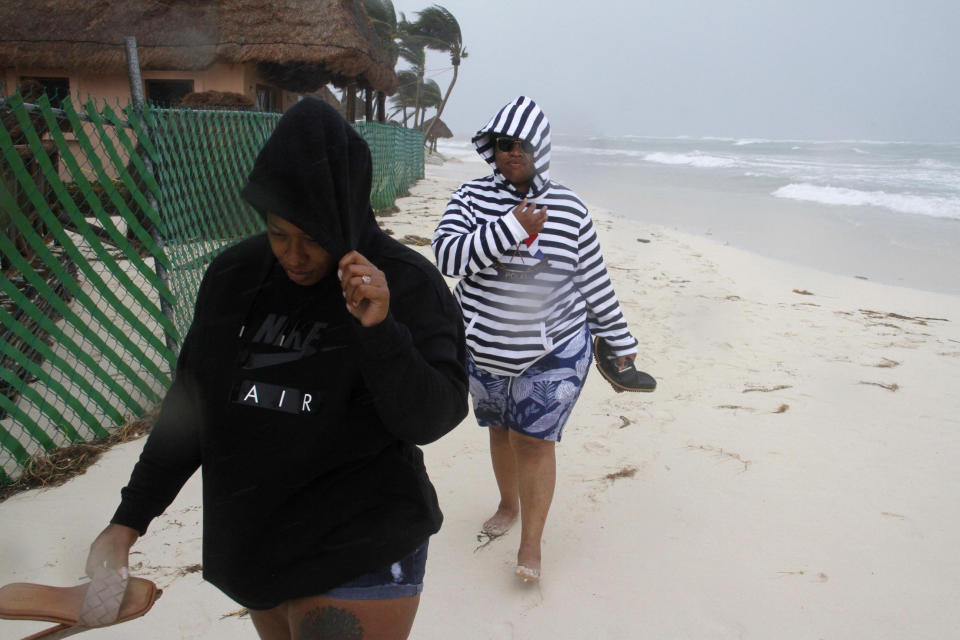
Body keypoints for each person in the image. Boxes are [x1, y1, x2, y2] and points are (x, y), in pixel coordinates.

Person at [85, 97, 468, 640]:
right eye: (277, 232)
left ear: (348, 215)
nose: (293, 255)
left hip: (360, 539)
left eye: (313, 236)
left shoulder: (405, 283)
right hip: (257, 539)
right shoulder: (235, 275)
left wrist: (381, 333)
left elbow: (434, 417)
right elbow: (190, 407)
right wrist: (128, 522)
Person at [432, 96, 640, 583]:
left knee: (533, 441)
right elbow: (447, 258)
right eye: (503, 144)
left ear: (540, 148)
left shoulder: (568, 208)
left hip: (553, 348)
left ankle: (532, 544)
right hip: (483, 345)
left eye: (522, 144)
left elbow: (593, 280)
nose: (512, 152)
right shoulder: (469, 198)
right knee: (500, 433)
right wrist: (510, 227)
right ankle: (508, 505)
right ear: (492, 148)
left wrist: (620, 339)